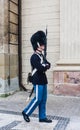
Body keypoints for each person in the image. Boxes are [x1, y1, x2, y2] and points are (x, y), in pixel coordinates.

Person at [22, 30, 52, 123]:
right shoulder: (34, 57)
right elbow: (40, 67)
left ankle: (42, 117)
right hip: (37, 80)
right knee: (38, 99)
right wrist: (45, 66)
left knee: (43, 100)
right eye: (42, 44)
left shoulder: (42, 56)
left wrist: (45, 65)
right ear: (38, 44)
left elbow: (48, 64)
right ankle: (26, 112)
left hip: (43, 80)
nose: (44, 46)